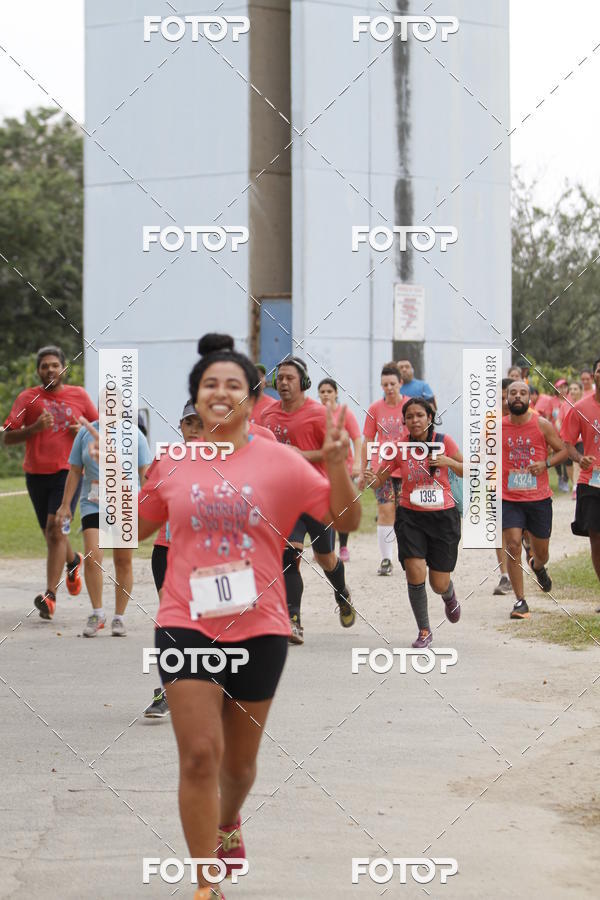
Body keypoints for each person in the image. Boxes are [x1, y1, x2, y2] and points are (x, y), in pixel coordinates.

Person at [137, 333, 360, 900]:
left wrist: (336, 466)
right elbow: (136, 529)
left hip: (260, 626)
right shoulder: (172, 459)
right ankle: (206, 883)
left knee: (237, 768)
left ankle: (228, 817)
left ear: (251, 398)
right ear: (195, 398)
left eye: (232, 384)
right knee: (199, 755)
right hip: (185, 620)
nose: (220, 392)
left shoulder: (279, 461)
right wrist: (123, 483)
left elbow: (345, 519)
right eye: (209, 384)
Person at [262, 357, 356, 643]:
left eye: (290, 378)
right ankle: (293, 620)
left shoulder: (318, 414)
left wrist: (300, 455)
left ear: (303, 383)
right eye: (280, 378)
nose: (284, 383)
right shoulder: (268, 415)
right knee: (290, 556)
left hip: (318, 495)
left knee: (326, 559)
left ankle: (342, 594)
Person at [2, 345, 98, 620]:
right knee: (51, 533)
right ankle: (73, 561)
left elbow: (100, 431)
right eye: (44, 366)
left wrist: (83, 431)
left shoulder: (79, 396)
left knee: (56, 529)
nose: (50, 370)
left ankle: (50, 596)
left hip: (68, 473)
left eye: (55, 365)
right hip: (35, 474)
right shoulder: (27, 398)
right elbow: (8, 436)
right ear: (38, 371)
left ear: (64, 368)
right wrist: (33, 430)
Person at [368, 397, 463, 648]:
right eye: (409, 417)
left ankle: (449, 594)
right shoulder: (398, 446)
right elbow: (380, 479)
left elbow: (469, 469)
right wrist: (370, 479)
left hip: (443, 516)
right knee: (414, 570)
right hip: (411, 515)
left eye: (420, 415)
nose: (415, 420)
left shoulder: (444, 442)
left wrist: (448, 462)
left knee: (438, 582)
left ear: (429, 417)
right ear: (405, 422)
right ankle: (424, 630)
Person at [56, 402, 152, 637]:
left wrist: (149, 506)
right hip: (94, 503)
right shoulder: (85, 434)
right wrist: (66, 504)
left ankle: (119, 617)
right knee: (92, 556)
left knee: (123, 561)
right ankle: (97, 613)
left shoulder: (135, 435)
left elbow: (145, 473)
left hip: (126, 503)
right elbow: (74, 470)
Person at [145, 400, 204, 719]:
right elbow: (149, 497)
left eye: (200, 424)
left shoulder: (220, 460)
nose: (194, 430)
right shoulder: (166, 458)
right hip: (166, 549)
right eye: (189, 423)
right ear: (180, 427)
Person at [502, 381, 568, 620]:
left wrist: (545, 464)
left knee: (542, 553)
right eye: (513, 393)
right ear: (507, 398)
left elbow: (563, 451)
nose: (518, 396)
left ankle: (538, 566)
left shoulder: (542, 424)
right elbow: (483, 456)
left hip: (538, 499)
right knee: (512, 544)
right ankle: (520, 601)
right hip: (508, 498)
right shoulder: (496, 428)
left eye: (522, 393)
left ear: (530, 398)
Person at [358, 364, 408, 576]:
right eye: (385, 384)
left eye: (393, 384)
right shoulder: (375, 409)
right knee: (386, 510)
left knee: (406, 514)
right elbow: (367, 440)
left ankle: (408, 555)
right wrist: (363, 470)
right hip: (383, 468)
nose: (389, 388)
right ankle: (386, 559)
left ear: (400, 384)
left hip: (406, 466)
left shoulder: (410, 405)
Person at [560, 358, 600, 611]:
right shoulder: (581, 407)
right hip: (591, 481)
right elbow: (567, 443)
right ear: (594, 375)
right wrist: (579, 458)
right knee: (596, 538)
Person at [318, 378, 362, 561]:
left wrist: (358, 463)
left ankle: (343, 547)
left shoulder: (346, 414)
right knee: (325, 507)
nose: (326, 394)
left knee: (342, 507)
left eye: (329, 391)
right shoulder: (317, 413)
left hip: (345, 467)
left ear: (336, 393)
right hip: (323, 468)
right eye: (322, 391)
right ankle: (326, 547)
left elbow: (357, 439)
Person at [493, 378, 514, 596]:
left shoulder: (532, 417)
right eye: (499, 398)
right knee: (500, 529)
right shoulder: (491, 421)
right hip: (498, 482)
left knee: (522, 533)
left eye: (506, 396)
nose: (504, 402)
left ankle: (535, 560)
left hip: (525, 484)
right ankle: (504, 575)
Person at [565, 382, 584, 497]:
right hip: (568, 440)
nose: (572, 391)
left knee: (577, 464)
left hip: (581, 440)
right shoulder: (565, 405)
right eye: (571, 389)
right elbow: (559, 421)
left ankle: (576, 488)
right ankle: (575, 484)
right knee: (568, 465)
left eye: (575, 389)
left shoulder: (584, 404)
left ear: (581, 391)